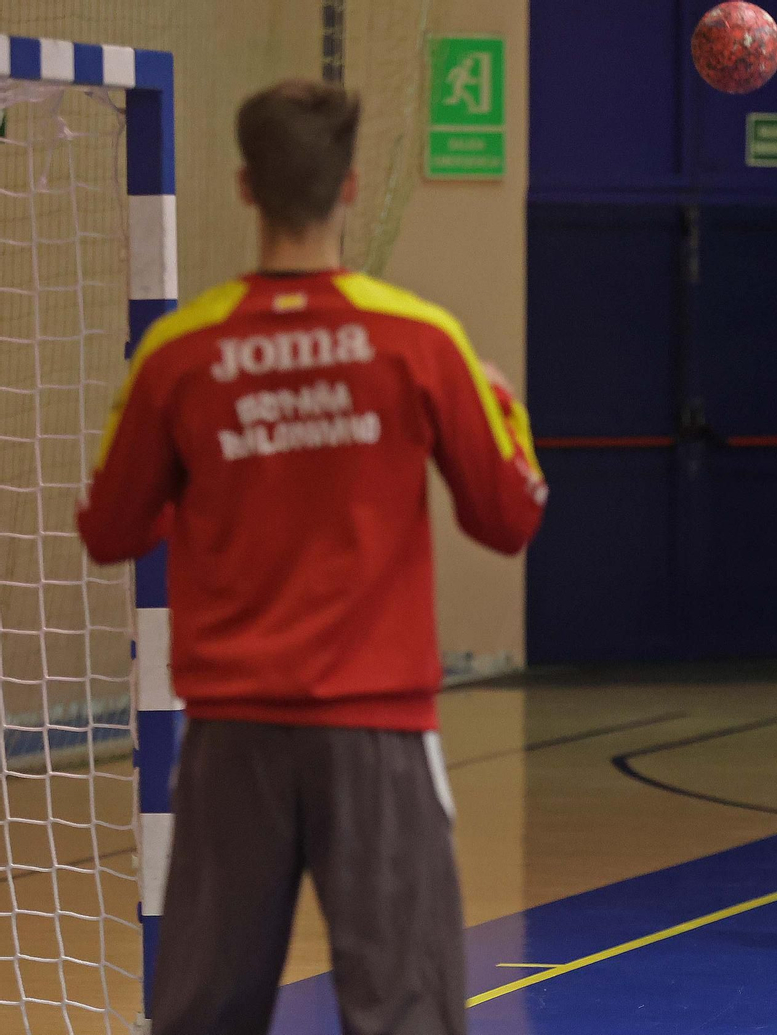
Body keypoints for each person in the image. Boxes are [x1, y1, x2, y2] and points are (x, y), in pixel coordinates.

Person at [77, 79, 548, 1034]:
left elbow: (109, 529)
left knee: (204, 1013)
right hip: (377, 730)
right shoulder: (423, 341)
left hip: (231, 737)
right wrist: (501, 406)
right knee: (405, 1008)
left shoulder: (177, 354)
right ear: (352, 185)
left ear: (246, 188)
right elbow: (508, 518)